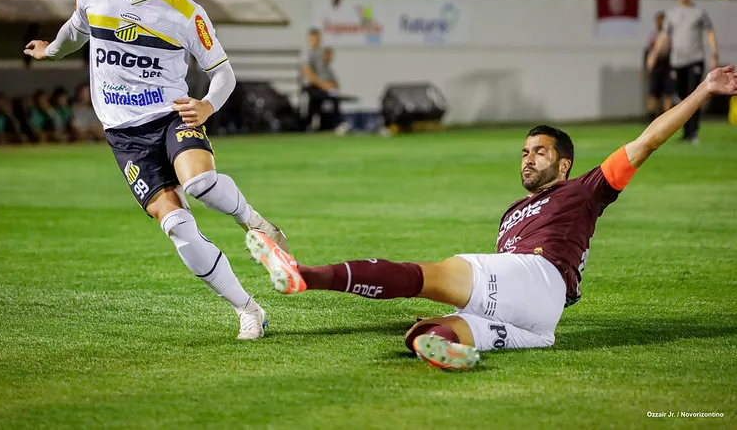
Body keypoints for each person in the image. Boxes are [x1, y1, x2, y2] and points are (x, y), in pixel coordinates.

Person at [246, 64, 737, 369]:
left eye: (540, 152)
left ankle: (304, 275)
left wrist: (704, 91)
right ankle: (445, 351)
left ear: (563, 163)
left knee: (430, 275)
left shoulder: (586, 189)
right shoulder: (512, 213)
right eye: (524, 151)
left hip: (540, 277)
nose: (528, 158)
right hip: (539, 321)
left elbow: (647, 140)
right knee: (424, 333)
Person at [23, 0, 288, 340]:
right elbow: (77, 29)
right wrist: (51, 51)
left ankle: (256, 223)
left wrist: (206, 105)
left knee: (200, 184)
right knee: (178, 227)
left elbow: (224, 73)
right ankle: (248, 309)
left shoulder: (185, 12)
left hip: (171, 116)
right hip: (124, 135)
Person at [647, 0, 719, 144]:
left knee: (694, 95)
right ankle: (686, 133)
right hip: (677, 61)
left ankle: (693, 132)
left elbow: (710, 32)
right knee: (680, 98)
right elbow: (664, 36)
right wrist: (654, 55)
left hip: (695, 59)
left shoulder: (699, 12)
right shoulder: (671, 14)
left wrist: (714, 54)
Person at [643, 11, 673, 119]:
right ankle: (651, 120)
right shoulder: (652, 35)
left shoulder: (671, 36)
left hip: (668, 66)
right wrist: (647, 69)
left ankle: (667, 119)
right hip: (656, 67)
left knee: (668, 94)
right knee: (653, 94)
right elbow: (647, 52)